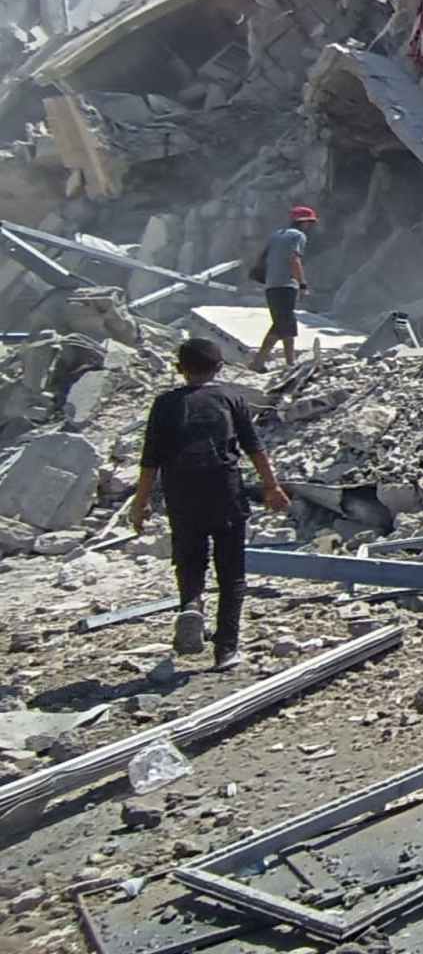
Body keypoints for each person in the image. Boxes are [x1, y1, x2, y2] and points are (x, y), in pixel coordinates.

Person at [131, 338, 290, 670]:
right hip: (225, 492)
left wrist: (141, 502)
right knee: (231, 573)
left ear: (179, 369)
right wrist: (271, 486)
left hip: (181, 496)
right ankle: (226, 650)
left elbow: (150, 459)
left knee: (189, 561)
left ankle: (191, 605)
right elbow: (253, 447)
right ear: (219, 367)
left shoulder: (164, 404)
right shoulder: (231, 398)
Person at [254, 206, 317, 371]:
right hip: (286, 285)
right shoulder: (298, 236)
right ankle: (270, 362)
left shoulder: (276, 235)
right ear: (303, 222)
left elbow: (262, 257)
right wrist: (302, 284)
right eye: (309, 222)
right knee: (285, 324)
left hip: (271, 285)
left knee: (283, 324)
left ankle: (283, 361)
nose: (310, 226)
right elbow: (294, 260)